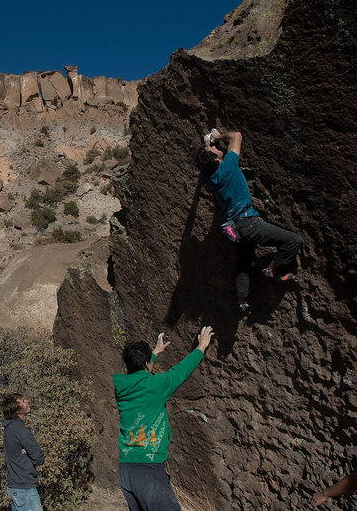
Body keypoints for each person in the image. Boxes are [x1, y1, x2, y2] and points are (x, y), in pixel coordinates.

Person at [195, 128, 302, 313]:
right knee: (293, 240)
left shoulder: (208, 177)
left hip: (234, 228)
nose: (216, 148)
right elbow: (236, 136)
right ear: (216, 160)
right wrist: (218, 137)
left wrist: (207, 146)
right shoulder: (227, 166)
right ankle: (271, 269)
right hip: (248, 223)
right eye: (214, 150)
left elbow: (203, 168)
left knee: (243, 263)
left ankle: (242, 300)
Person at [114, 327, 215, 510]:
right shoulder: (156, 386)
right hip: (148, 468)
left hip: (126, 470)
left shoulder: (121, 387)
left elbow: (138, 373)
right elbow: (180, 371)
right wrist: (201, 347)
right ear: (146, 363)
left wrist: (153, 354)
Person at [1, 393, 45, 511]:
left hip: (16, 488)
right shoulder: (20, 430)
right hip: (25, 490)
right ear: (17, 411)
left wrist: (27, 453)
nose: (27, 401)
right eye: (23, 401)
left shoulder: (9, 429)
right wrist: (29, 454)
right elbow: (39, 458)